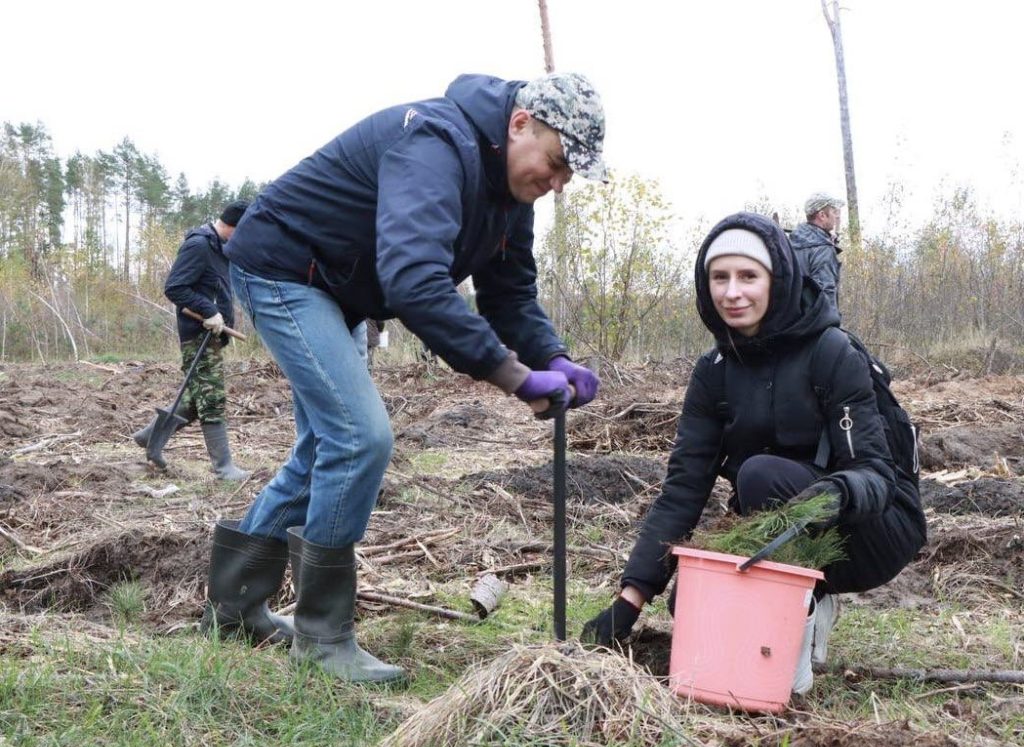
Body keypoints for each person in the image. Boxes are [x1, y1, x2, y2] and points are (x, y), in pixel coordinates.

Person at [201, 72, 605, 684]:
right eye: (552, 165)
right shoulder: (436, 145)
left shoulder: (508, 194)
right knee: (360, 438)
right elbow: (414, 279)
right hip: (285, 270)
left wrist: (551, 356)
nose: (552, 185)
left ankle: (232, 608)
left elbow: (511, 291)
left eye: (563, 179)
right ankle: (323, 638)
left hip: (336, 287)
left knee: (325, 447)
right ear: (520, 123)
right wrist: (513, 376)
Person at [582, 212, 926, 695]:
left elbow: (876, 473)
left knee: (761, 476)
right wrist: (630, 599)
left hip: (875, 526)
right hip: (777, 522)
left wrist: (836, 492)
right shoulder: (714, 372)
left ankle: (800, 619)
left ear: (777, 280)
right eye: (719, 277)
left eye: (748, 276)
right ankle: (805, 591)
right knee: (692, 604)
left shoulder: (832, 353)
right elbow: (683, 490)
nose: (732, 292)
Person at [132, 201, 251, 481]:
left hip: (212, 336)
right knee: (211, 398)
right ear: (235, 226)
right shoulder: (199, 245)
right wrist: (209, 311)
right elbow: (174, 287)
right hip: (198, 334)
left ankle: (149, 437)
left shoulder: (220, 249)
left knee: (196, 400)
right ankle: (224, 468)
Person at [790, 192, 844, 315]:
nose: (836, 217)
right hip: (815, 327)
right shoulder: (823, 249)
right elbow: (825, 296)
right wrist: (833, 327)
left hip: (791, 325)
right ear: (822, 215)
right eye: (834, 212)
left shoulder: (792, 242)